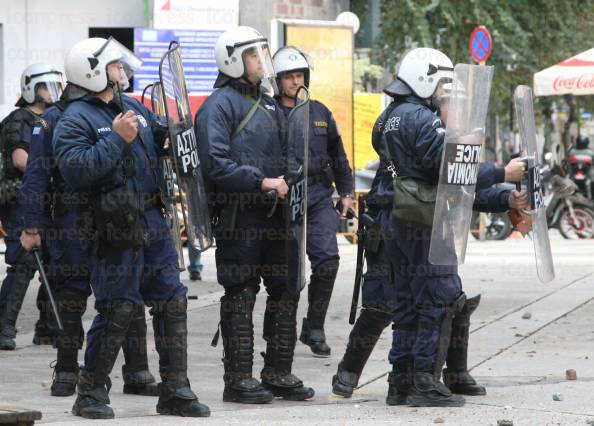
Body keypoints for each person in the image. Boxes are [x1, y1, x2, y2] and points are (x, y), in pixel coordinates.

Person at [335, 47, 528, 408]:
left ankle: (401, 383)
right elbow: (452, 173)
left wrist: (502, 199)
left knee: (407, 302)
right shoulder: (423, 120)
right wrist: (504, 173)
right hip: (423, 223)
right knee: (439, 297)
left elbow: (431, 181)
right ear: (425, 79)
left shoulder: (389, 116)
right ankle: (425, 380)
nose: (446, 93)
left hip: (398, 221)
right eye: (442, 85)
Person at [53, 37, 210, 419]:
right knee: (118, 307)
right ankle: (90, 392)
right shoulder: (73, 118)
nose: (122, 72)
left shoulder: (132, 106)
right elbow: (76, 169)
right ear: (93, 72)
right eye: (115, 67)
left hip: (153, 221)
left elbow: (160, 135)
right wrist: (117, 142)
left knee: (172, 300)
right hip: (112, 229)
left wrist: (173, 136)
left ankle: (175, 389)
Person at [195, 26, 314, 404]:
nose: (262, 62)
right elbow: (214, 164)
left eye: (263, 53)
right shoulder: (219, 105)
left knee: (286, 289)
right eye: (253, 54)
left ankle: (278, 371)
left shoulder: (266, 101)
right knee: (241, 292)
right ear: (233, 60)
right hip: (239, 217)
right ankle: (239, 379)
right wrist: (260, 181)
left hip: (278, 216)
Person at [19, 84, 159, 398]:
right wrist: (31, 225)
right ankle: (67, 370)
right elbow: (37, 175)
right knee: (72, 293)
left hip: (118, 215)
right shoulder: (54, 118)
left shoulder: (118, 110)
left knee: (127, 293)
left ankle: (137, 370)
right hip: (72, 218)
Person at [272, 46, 354, 357]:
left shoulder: (320, 112)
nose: (295, 82)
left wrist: (346, 192)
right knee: (287, 270)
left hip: (320, 195)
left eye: (299, 76)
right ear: (279, 81)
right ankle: (281, 331)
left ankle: (314, 326)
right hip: (283, 197)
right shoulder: (269, 112)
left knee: (328, 260)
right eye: (289, 77)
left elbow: (339, 155)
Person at [0, 63, 64, 350]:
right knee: (24, 264)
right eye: (44, 86)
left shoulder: (54, 117)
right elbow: (20, 160)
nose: (51, 92)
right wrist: (54, 172)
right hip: (19, 200)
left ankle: (47, 328)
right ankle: (3, 328)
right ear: (30, 89)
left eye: (54, 85)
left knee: (53, 264)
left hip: (47, 201)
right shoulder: (18, 120)